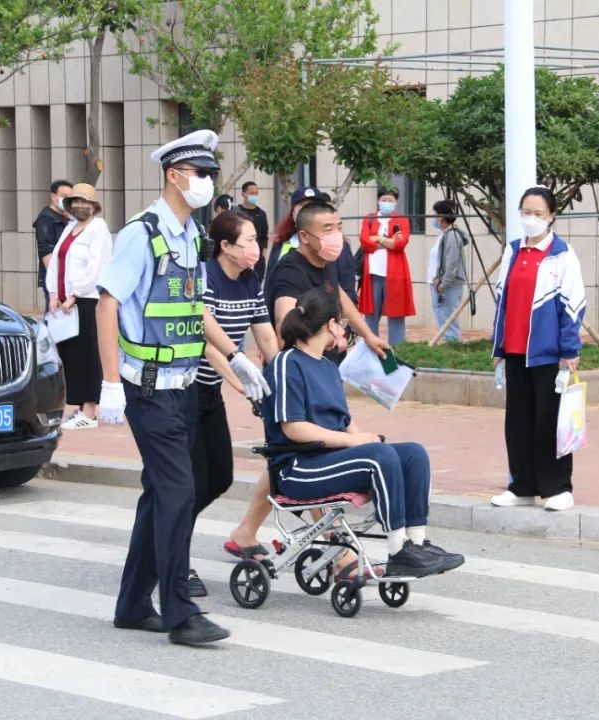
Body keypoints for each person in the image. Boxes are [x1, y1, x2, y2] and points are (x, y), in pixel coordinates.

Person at [95, 129, 268, 646]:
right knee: (177, 491)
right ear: (174, 175)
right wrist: (108, 384)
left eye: (211, 173)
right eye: (202, 173)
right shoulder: (140, 233)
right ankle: (179, 611)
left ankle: (131, 605)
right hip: (146, 387)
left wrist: (237, 358)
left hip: (185, 384)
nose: (209, 181)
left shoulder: (191, 235)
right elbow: (107, 304)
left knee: (160, 495)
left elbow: (194, 310)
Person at [224, 201, 390, 566]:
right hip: (295, 378)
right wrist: (304, 360)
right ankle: (339, 554)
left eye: (338, 225)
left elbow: (340, 300)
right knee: (305, 453)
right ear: (305, 235)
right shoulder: (289, 272)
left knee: (282, 458)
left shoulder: (325, 262)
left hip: (319, 369)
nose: (336, 235)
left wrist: (367, 334)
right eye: (327, 228)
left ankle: (245, 532)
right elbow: (285, 324)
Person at [262, 287, 463, 577]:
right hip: (297, 468)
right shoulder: (286, 363)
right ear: (330, 325)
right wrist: (355, 442)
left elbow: (344, 421)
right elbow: (294, 428)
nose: (344, 330)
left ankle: (416, 543)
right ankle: (398, 549)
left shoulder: (328, 367)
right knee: (378, 456)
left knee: (412, 454)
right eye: (342, 324)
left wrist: (361, 438)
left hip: (330, 459)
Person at [186, 210, 279, 597]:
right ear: (224, 246)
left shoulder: (250, 280)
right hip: (185, 390)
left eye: (258, 240)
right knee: (184, 484)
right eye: (248, 242)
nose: (255, 249)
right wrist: (239, 377)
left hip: (209, 396)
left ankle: (167, 532)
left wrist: (284, 374)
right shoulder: (205, 277)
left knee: (219, 476)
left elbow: (266, 336)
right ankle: (174, 558)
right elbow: (205, 340)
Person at [490, 187, 587, 513]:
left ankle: (558, 487)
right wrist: (498, 348)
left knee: (550, 422)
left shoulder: (562, 254)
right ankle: (522, 486)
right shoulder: (513, 250)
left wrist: (569, 351)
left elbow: (573, 305)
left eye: (538, 214)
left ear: (552, 217)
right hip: (516, 351)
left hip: (548, 354)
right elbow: (502, 301)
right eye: (526, 212)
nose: (531, 219)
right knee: (517, 423)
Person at [45, 183, 113, 430]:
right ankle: (78, 407)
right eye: (75, 202)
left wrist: (74, 294)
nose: (79, 206)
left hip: (86, 301)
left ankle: (90, 411)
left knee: (88, 355)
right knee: (70, 355)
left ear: (94, 206)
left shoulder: (99, 229)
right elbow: (55, 263)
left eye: (84, 202)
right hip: (63, 303)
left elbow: (95, 268)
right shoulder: (70, 228)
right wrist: (53, 292)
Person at [266, 186, 357, 305]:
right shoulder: (281, 244)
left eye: (313, 207)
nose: (308, 212)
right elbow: (269, 286)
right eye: (302, 208)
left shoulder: (337, 245)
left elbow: (347, 291)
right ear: (293, 213)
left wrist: (342, 322)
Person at [358, 186, 415, 346]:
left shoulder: (401, 219)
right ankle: (371, 350)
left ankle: (397, 354)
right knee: (371, 315)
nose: (386, 202)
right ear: (378, 200)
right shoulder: (369, 218)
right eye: (384, 199)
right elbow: (364, 242)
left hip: (395, 274)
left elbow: (400, 243)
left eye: (390, 200)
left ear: (396, 201)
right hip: (372, 273)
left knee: (396, 314)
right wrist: (388, 241)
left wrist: (378, 239)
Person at [428, 199, 468, 343]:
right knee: (443, 321)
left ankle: (452, 348)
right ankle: (449, 346)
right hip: (440, 284)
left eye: (436, 215)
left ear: (442, 217)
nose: (434, 218)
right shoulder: (444, 235)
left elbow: (451, 264)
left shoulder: (452, 236)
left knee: (449, 323)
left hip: (448, 286)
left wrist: (443, 284)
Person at [34, 180, 73, 313]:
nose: (67, 200)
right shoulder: (46, 219)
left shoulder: (68, 218)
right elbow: (47, 254)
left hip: (66, 279)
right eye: (64, 196)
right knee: (54, 317)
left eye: (70, 196)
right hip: (55, 282)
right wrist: (55, 287)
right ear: (53, 197)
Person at [236, 181, 269, 281]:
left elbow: (264, 235)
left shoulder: (261, 214)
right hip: (240, 255)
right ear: (243, 194)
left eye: (256, 193)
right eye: (251, 193)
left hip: (257, 257)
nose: (254, 196)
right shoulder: (236, 212)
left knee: (257, 281)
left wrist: (263, 252)